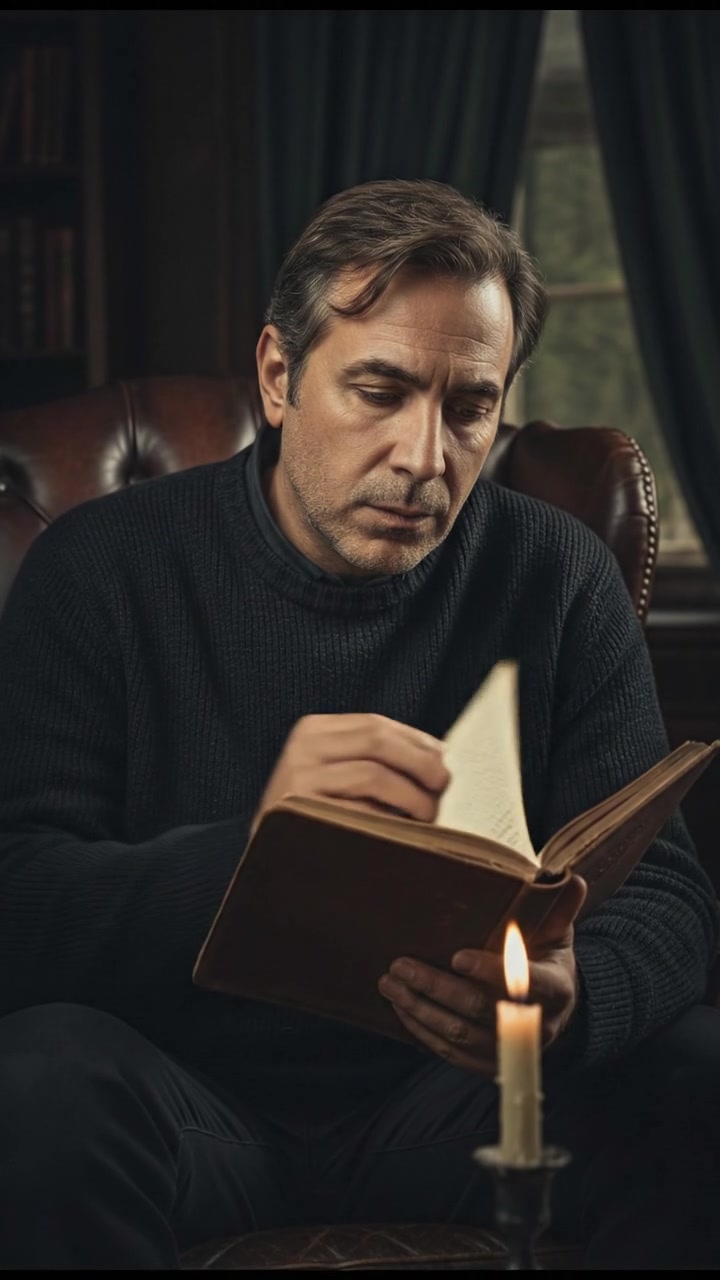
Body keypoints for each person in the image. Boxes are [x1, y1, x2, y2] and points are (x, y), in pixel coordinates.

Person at [0, 178, 718, 1272]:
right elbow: (18, 899)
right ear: (280, 376)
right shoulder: (98, 569)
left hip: (466, 1096)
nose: (426, 456)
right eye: (378, 388)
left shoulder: (555, 571)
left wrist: (569, 1000)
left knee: (698, 1074)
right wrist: (253, 852)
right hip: (183, 1098)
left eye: (469, 405)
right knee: (36, 1079)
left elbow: (670, 899)